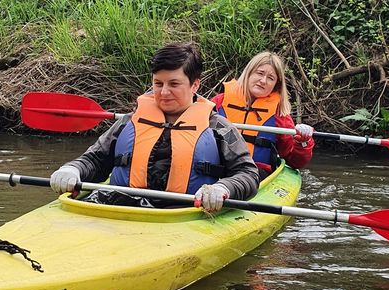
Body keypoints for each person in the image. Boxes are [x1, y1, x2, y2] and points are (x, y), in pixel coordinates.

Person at [50, 43, 259, 212]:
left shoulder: (218, 128)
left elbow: (248, 174)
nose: (164, 92)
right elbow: (95, 160)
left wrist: (223, 188)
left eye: (173, 84)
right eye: (158, 84)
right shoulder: (129, 121)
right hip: (120, 208)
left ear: (195, 85)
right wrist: (73, 169)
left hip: (184, 213)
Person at [212, 51, 314, 179]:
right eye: (260, 73)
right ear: (249, 73)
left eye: (270, 78)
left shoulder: (278, 114)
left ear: (275, 85)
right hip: (216, 168)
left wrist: (303, 142)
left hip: (254, 175)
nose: (263, 81)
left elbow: (295, 161)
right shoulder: (218, 102)